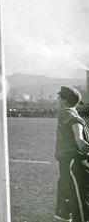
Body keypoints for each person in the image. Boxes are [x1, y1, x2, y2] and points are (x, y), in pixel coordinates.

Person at [54, 86, 89, 222]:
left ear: (64, 101)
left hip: (73, 163)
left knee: (78, 202)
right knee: (65, 202)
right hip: (68, 163)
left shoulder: (67, 111)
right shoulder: (72, 111)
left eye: (58, 99)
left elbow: (75, 122)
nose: (57, 101)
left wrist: (78, 138)